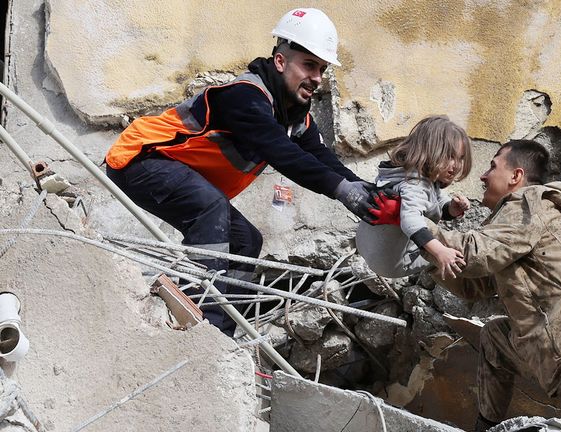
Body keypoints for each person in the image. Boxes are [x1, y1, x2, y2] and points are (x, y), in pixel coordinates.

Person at [104, 8, 397, 336]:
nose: (317, 77)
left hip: (177, 172)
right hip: (139, 159)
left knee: (246, 241)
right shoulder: (246, 96)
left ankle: (222, 334)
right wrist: (343, 191)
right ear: (281, 61)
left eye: (322, 69)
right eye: (309, 65)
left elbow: (320, 157)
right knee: (210, 207)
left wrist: (367, 190)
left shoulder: (294, 117)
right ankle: (198, 326)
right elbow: (281, 152)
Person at [425, 140, 561, 432]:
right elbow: (471, 285)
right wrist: (425, 255)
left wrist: (415, 226)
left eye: (492, 166)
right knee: (495, 337)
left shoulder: (529, 205)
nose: (483, 176)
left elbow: (474, 253)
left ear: (516, 176)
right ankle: (485, 426)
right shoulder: (513, 227)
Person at [355, 115, 472, 279]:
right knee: (462, 254)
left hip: (366, 246)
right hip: (394, 263)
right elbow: (411, 220)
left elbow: (436, 199)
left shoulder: (406, 174)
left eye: (460, 158)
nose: (457, 165)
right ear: (430, 151)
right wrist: (440, 252)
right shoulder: (414, 184)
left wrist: (451, 208)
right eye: (450, 156)